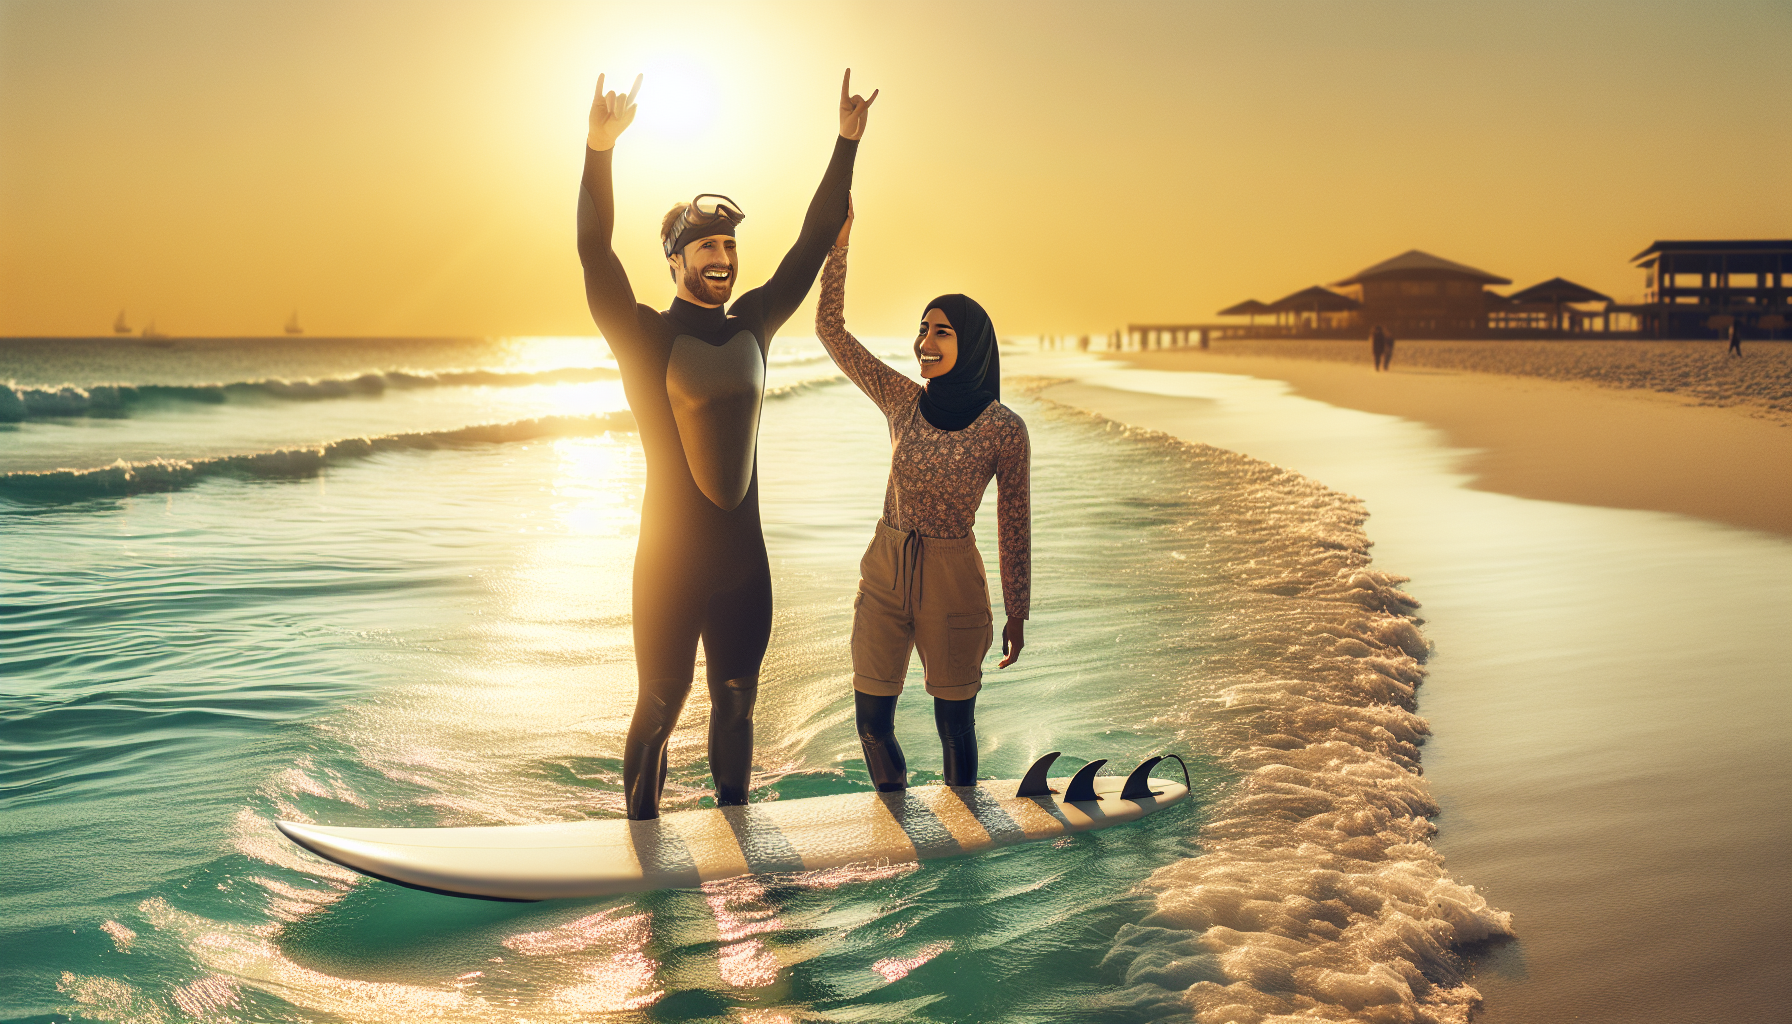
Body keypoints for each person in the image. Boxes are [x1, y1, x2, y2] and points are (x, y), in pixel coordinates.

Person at [577, 70, 877, 819]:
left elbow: (812, 242)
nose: (722, 257)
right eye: (705, 246)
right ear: (675, 261)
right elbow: (592, 249)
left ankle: (733, 833)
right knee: (658, 704)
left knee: (737, 703)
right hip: (669, 565)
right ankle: (640, 841)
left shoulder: (755, 323)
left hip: (746, 565)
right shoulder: (645, 334)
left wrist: (845, 143)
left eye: (729, 246)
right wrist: (598, 149)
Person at [814, 200, 1030, 791]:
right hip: (886, 569)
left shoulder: (1003, 428)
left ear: (974, 344)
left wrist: (1018, 609)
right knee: (871, 721)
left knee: (953, 724)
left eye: (942, 331)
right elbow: (830, 332)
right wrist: (839, 248)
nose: (924, 341)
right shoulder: (902, 400)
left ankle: (963, 830)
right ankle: (896, 816)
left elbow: (1014, 525)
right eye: (922, 329)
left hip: (953, 577)